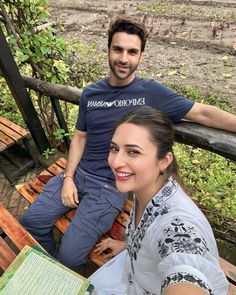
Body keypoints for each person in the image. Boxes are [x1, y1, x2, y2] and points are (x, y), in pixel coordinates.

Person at [20, 16, 236, 271]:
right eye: (118, 49)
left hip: (110, 187)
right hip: (77, 175)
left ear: (141, 56)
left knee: (70, 255)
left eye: (132, 52)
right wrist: (68, 177)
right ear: (108, 50)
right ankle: (51, 273)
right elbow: (80, 136)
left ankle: (61, 274)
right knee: (30, 222)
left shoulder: (151, 92)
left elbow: (202, 113)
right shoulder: (91, 93)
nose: (124, 58)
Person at [89, 106, 229, 295]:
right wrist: (128, 245)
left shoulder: (177, 224)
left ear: (164, 160)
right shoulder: (147, 189)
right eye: (114, 148)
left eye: (133, 152)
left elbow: (185, 266)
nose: (115, 162)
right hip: (130, 274)